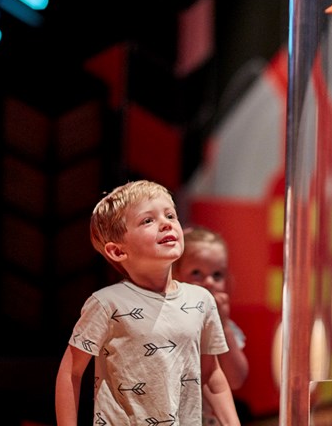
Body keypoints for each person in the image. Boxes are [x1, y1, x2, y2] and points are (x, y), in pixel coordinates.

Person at [55, 180, 240, 426]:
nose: (166, 224)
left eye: (170, 215)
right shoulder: (107, 303)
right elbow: (71, 372)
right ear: (118, 251)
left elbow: (211, 375)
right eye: (148, 220)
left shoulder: (201, 301)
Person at [173, 226, 250, 424]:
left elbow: (236, 379)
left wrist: (223, 326)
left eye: (217, 275)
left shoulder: (224, 326)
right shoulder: (166, 320)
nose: (208, 282)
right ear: (175, 275)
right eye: (196, 273)